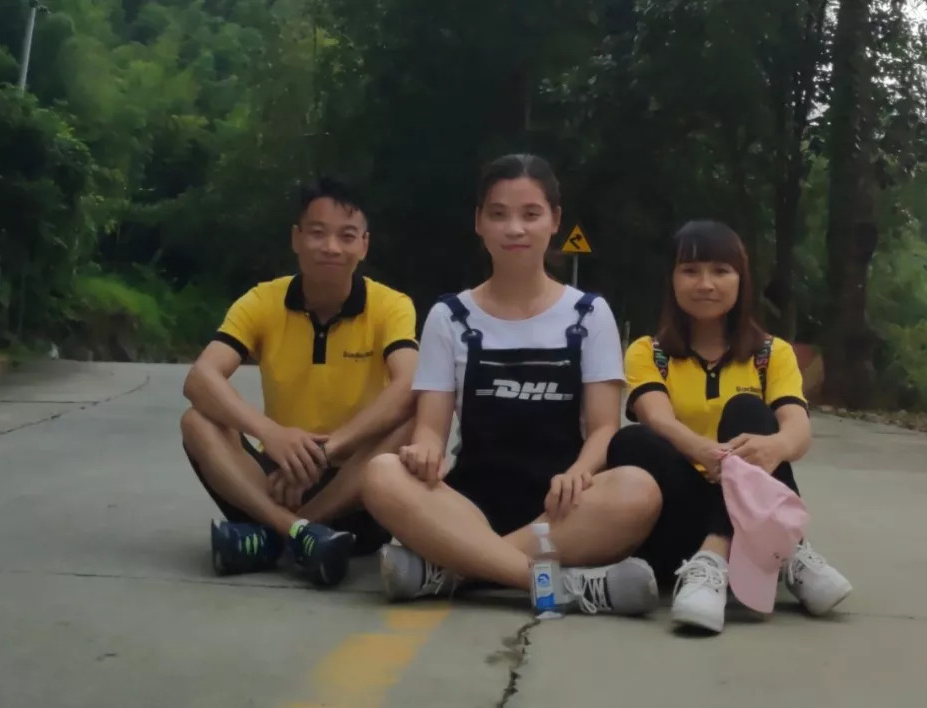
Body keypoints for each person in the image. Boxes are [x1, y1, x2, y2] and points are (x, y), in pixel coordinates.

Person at [360, 154, 663, 616]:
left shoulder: (588, 314)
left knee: (639, 489)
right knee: (382, 474)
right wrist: (424, 452)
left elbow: (605, 427)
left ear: (555, 220)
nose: (514, 229)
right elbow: (430, 430)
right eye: (498, 214)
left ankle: (455, 567)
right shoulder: (449, 316)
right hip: (467, 506)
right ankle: (558, 585)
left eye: (530, 214)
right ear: (478, 223)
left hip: (561, 509)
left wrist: (580, 472)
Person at [605, 219, 852, 634]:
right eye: (690, 271)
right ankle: (783, 546)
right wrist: (708, 453)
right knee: (632, 442)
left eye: (720, 271)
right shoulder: (650, 352)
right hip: (677, 520)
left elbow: (796, 428)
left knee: (749, 412)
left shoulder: (771, 354)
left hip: (745, 498)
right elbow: (657, 417)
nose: (705, 284)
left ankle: (716, 557)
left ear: (742, 280)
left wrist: (774, 448)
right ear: (671, 280)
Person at [180, 177, 419, 587]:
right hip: (272, 483)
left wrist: (327, 451)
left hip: (354, 488)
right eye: (318, 233)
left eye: (346, 236)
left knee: (411, 422)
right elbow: (201, 377)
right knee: (195, 420)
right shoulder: (263, 301)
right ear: (296, 238)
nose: (331, 247)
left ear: (364, 245)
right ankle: (297, 534)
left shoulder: (390, 306)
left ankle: (276, 536)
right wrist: (270, 434)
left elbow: (410, 384)